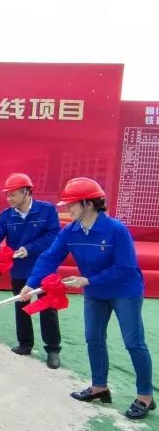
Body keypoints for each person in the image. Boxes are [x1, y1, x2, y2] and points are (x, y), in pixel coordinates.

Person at [21, 177, 154, 420]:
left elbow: (125, 267)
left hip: (124, 290)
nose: (67, 209)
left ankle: (145, 395)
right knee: (93, 337)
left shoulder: (116, 230)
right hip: (95, 292)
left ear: (89, 204)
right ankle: (99, 386)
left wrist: (88, 280)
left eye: (71, 204)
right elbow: (50, 257)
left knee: (133, 341)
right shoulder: (70, 231)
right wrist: (31, 284)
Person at [0, 173, 62, 369]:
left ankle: (53, 349)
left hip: (44, 267)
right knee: (21, 305)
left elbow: (54, 236)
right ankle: (25, 344)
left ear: (26, 192)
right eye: (7, 195)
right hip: (19, 269)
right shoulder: (6, 215)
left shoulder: (47, 210)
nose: (9, 198)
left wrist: (30, 248)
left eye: (12, 194)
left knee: (47, 307)